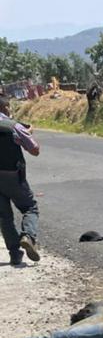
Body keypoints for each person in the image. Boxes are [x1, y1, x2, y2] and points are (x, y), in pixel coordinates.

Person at [0, 95, 41, 266]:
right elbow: (35, 150)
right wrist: (27, 133)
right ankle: (28, 236)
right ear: (4, 108)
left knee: (4, 217)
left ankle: (15, 254)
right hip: (13, 176)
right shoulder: (13, 126)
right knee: (30, 207)